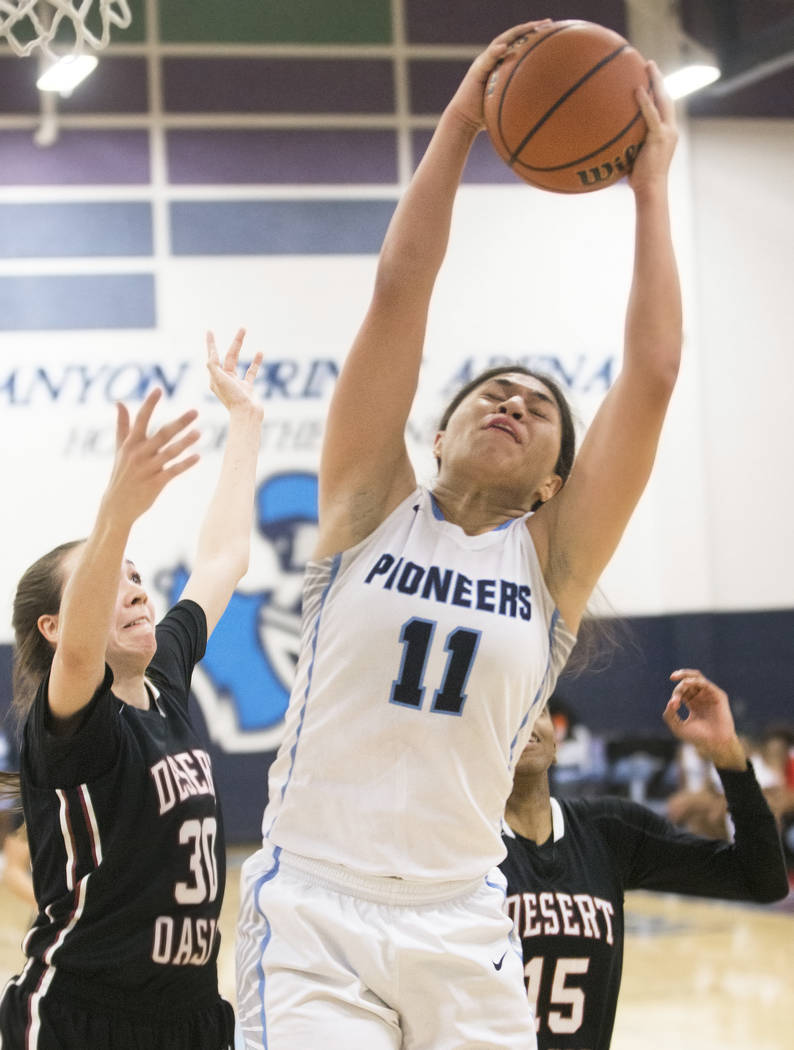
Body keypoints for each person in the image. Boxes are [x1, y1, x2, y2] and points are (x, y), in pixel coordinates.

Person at [237, 19, 681, 1050]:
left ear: (557, 481)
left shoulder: (548, 565)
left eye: (536, 406)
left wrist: (651, 191)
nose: (512, 402)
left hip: (461, 914)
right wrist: (457, 124)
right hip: (312, 907)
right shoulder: (365, 508)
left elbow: (651, 377)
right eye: (490, 391)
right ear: (433, 432)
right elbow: (399, 289)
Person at [0, 331, 264, 1050]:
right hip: (80, 1017)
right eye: (110, 578)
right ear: (54, 626)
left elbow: (222, 559)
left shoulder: (167, 679)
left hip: (191, 1015)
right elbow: (83, 649)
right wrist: (116, 515)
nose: (135, 589)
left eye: (137, 575)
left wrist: (246, 422)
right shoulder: (76, 720)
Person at [500, 669, 789, 1050]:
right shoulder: (456, 844)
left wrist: (725, 751)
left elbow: (760, 878)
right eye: (507, 713)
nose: (526, 724)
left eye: (536, 709)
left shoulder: (607, 830)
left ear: (557, 741)